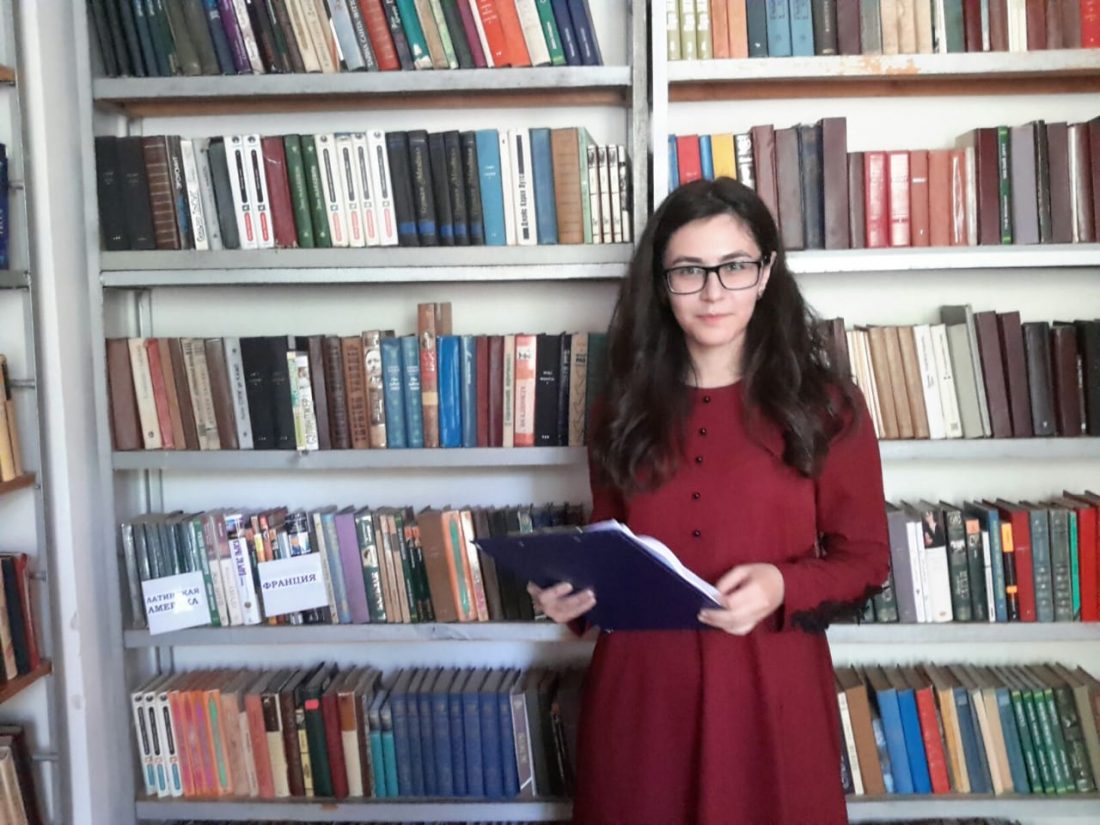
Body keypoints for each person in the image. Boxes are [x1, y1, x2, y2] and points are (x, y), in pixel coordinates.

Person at [528, 178, 890, 825]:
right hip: (642, 697)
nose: (714, 292)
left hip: (769, 692)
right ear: (661, 283)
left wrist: (783, 584)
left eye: (735, 266)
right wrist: (572, 594)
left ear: (766, 273)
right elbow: (609, 544)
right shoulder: (620, 406)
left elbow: (866, 559)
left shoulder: (827, 405)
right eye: (689, 271)